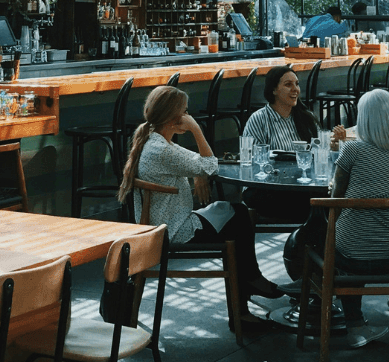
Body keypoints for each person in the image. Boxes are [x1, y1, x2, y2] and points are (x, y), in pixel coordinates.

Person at [117, 85, 283, 334]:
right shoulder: (162, 150)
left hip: (163, 222)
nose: (188, 116)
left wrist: (197, 174)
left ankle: (247, 292)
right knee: (238, 217)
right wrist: (196, 129)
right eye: (185, 112)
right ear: (175, 118)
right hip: (173, 229)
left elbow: (197, 164)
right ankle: (247, 293)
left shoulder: (151, 140)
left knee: (235, 213)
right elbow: (210, 165)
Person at [290, 89, 389, 342]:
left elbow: (335, 203)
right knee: (374, 241)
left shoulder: (352, 151)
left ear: (363, 121)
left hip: (347, 256)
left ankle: (351, 322)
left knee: (327, 238)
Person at [244, 64, 320, 151]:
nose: (295, 89)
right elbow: (253, 157)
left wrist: (333, 144)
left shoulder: (306, 117)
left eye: (297, 84)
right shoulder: (259, 119)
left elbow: (318, 150)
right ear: (274, 90)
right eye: (288, 84)